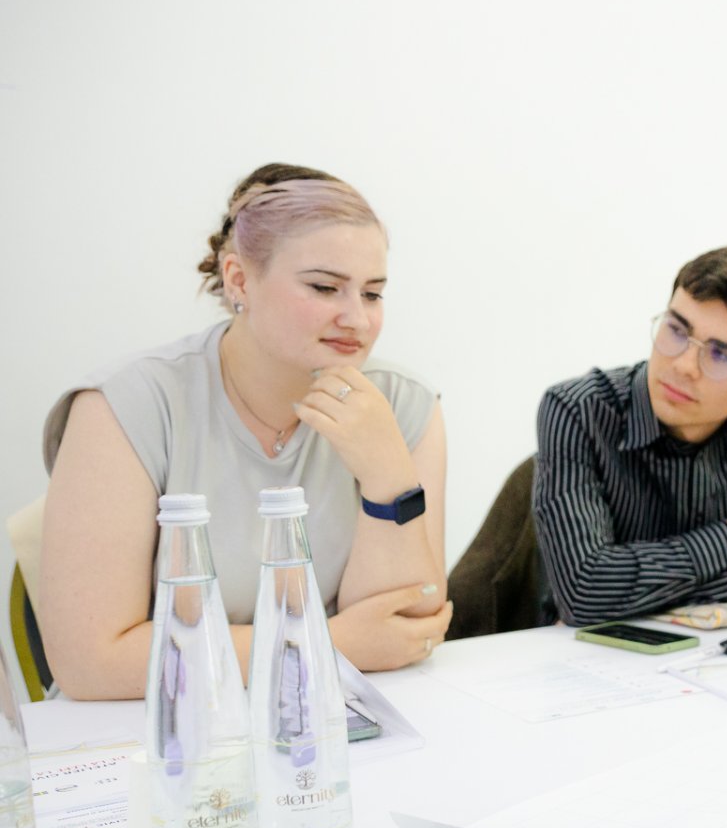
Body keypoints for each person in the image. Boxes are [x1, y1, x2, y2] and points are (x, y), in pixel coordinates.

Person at [40, 164, 450, 700]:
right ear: (238, 280)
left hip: (327, 724)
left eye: (372, 294)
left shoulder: (401, 404)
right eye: (325, 287)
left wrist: (387, 475)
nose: (357, 319)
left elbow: (405, 634)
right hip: (151, 730)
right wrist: (325, 644)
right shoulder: (124, 405)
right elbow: (92, 665)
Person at [533, 242, 727, 625]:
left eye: (721, 355)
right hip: (586, 657)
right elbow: (584, 593)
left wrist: (628, 590)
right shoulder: (577, 409)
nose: (684, 364)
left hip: (716, 661)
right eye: (677, 330)